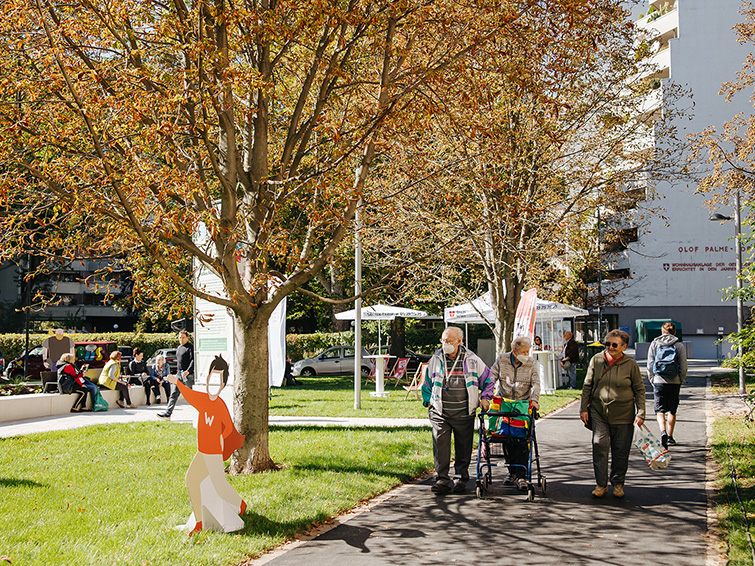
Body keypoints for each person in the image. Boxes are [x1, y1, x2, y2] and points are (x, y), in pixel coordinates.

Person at [167, 355, 246, 535]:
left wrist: (223, 446)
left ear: (223, 385)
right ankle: (200, 521)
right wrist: (176, 382)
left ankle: (240, 505)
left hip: (213, 452)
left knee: (218, 484)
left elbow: (228, 430)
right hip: (203, 451)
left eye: (219, 381)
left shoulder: (220, 406)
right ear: (207, 379)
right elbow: (189, 394)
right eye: (212, 378)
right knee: (193, 479)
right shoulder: (202, 400)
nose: (214, 383)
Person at [421, 326, 495, 495]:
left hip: (464, 412)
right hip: (440, 412)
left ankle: (461, 478)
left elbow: (489, 379)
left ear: (459, 342)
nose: (444, 344)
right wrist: (428, 402)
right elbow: (426, 383)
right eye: (443, 340)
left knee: (464, 447)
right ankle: (442, 479)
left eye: (449, 341)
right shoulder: (436, 358)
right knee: (441, 446)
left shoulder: (472, 359)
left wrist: (485, 397)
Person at [580, 329, 645, 499]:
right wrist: (583, 408)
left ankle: (617, 483)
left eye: (614, 344)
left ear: (623, 346)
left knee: (621, 450)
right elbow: (587, 385)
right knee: (599, 445)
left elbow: (639, 389)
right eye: (607, 344)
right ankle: (601, 484)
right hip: (598, 411)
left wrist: (641, 412)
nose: (610, 347)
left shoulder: (630, 364)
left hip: (624, 413)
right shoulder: (597, 359)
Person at [489, 336, 541, 490]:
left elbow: (536, 383)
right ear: (514, 352)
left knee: (521, 440)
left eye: (528, 351)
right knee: (506, 438)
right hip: (505, 403)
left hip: (523, 404)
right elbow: (492, 377)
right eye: (524, 352)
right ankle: (512, 472)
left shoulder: (530, 363)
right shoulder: (502, 359)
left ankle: (522, 475)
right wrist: (487, 393)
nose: (527, 354)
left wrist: (535, 400)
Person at [646, 321, 688, 448]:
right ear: (674, 332)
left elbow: (650, 364)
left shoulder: (655, 344)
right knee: (672, 410)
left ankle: (662, 431)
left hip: (659, 381)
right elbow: (683, 366)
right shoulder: (679, 345)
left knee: (660, 410)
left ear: (662, 331)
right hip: (674, 381)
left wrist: (652, 379)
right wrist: (680, 379)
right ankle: (670, 437)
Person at [158, 330, 194, 420]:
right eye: (180, 337)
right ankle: (168, 414)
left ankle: (201, 412)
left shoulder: (190, 348)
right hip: (179, 375)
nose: (181, 339)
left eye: (183, 337)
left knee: (192, 395)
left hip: (188, 376)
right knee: (174, 394)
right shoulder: (178, 348)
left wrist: (188, 371)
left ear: (187, 338)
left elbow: (193, 360)